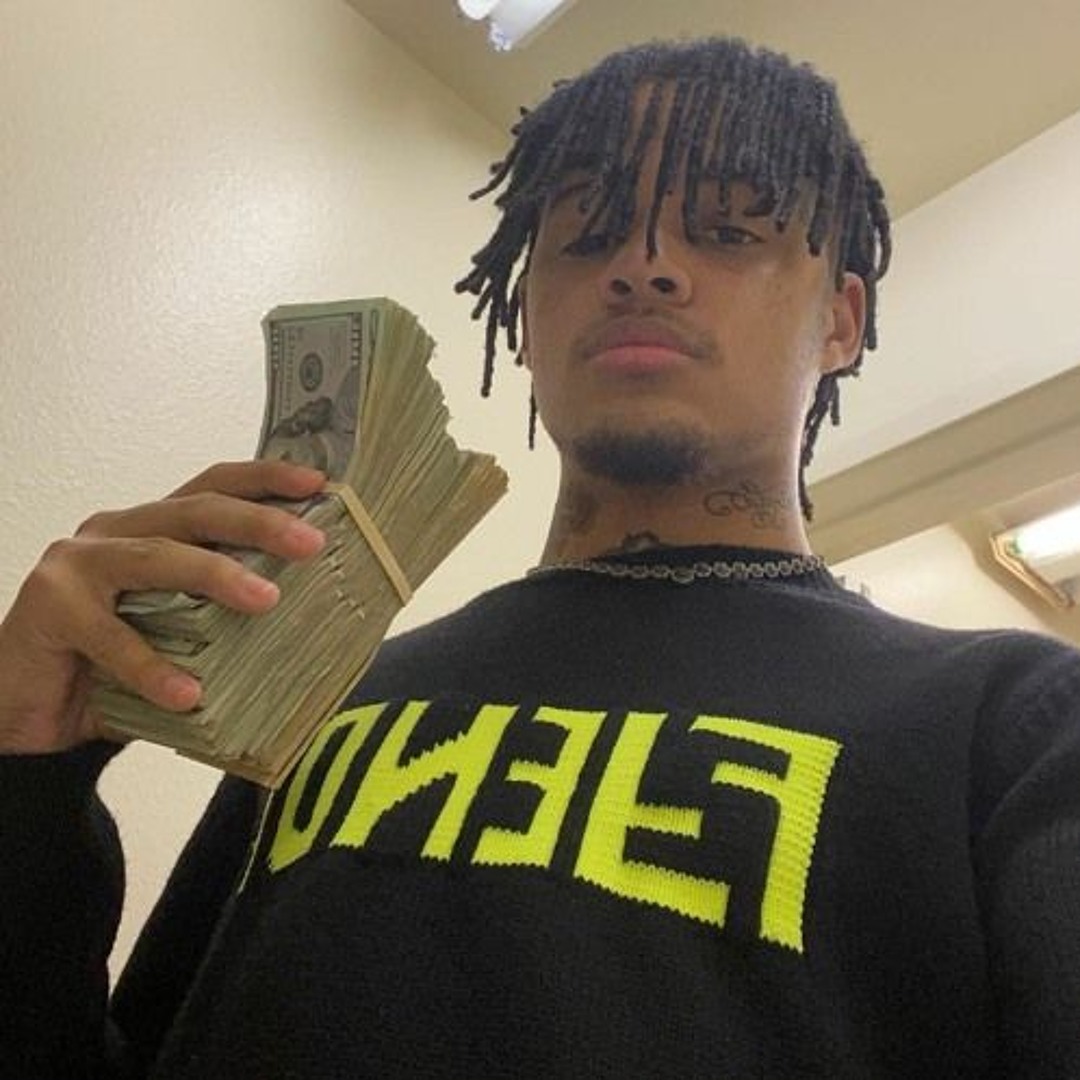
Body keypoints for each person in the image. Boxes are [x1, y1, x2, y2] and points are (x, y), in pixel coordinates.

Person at [1, 36, 1078, 1080]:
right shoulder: (327, 700)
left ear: (840, 321)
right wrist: (27, 789)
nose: (644, 268)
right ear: (524, 317)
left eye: (725, 230)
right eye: (590, 233)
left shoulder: (1017, 723)